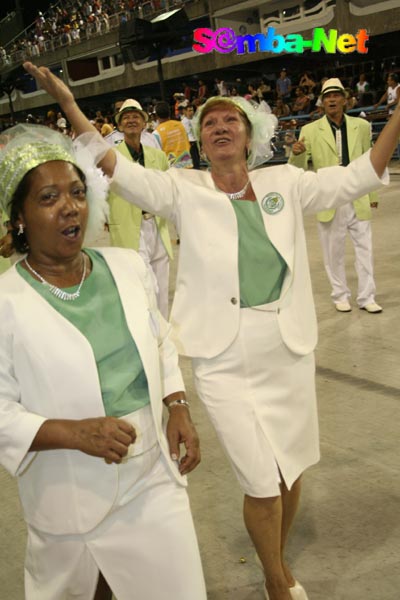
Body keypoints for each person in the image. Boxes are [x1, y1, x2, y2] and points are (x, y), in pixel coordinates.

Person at [24, 60, 399, 600]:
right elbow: (112, 165)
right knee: (258, 479)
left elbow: (362, 172)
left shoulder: (287, 182)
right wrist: (68, 103)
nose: (220, 127)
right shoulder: (182, 188)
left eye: (232, 120)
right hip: (222, 359)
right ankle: (275, 578)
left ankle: (277, 557)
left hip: (288, 349)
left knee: (290, 472)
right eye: (210, 123)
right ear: (201, 139)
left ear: (251, 135)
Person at [0, 122, 206, 600]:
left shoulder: (127, 265)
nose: (69, 206)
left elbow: (160, 340)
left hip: (152, 476)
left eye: (77, 191)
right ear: (19, 219)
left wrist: (177, 404)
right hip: (69, 491)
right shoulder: (5, 302)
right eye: (48, 198)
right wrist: (75, 433)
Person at [289, 77, 382, 313]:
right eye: (327, 96)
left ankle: (367, 296)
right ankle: (340, 295)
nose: (332, 99)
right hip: (329, 196)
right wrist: (297, 153)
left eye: (336, 95)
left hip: (357, 192)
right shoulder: (309, 129)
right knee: (333, 252)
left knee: (365, 248)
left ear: (345, 99)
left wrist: (372, 195)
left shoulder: (361, 126)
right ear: (321, 101)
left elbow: (369, 160)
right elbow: (298, 167)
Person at [108, 98, 173, 318]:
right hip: (129, 227)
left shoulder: (158, 156)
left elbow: (168, 187)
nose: (131, 120)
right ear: (119, 125)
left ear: (144, 122)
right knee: (143, 285)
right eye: (126, 117)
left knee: (162, 287)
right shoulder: (111, 157)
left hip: (157, 226)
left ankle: (164, 336)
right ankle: (147, 335)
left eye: (136, 116)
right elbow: (100, 190)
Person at [153, 101, 192, 168]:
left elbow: (158, 155)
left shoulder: (156, 133)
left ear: (157, 116)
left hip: (171, 171)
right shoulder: (181, 125)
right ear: (169, 113)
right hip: (187, 165)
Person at [181, 103, 201, 169]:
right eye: (189, 110)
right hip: (189, 142)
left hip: (196, 141)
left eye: (192, 110)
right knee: (194, 161)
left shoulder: (194, 120)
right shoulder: (183, 122)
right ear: (185, 112)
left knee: (197, 160)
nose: (191, 112)